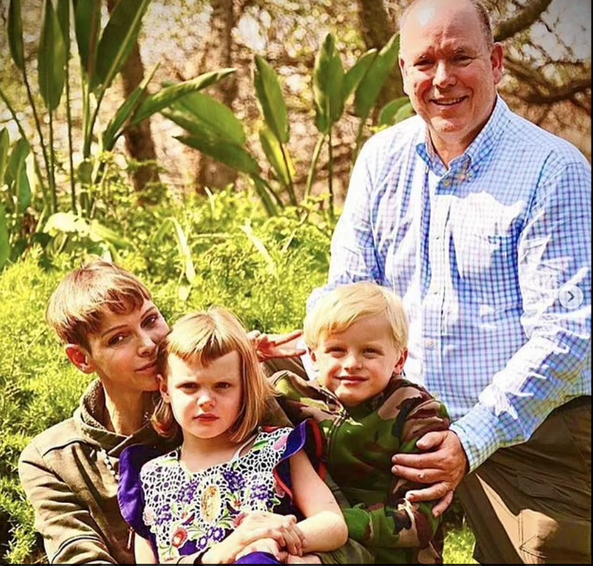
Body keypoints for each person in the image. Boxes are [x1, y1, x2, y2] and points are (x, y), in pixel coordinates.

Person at [306, 0, 591, 563]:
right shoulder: (381, 159)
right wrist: (309, 345)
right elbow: (349, 294)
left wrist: (470, 438)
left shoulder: (553, 170)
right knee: (317, 531)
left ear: (497, 62)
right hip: (393, 422)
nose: (442, 79)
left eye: (461, 57)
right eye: (424, 62)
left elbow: (567, 335)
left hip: (529, 430)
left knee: (549, 553)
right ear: (404, 71)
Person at [17, 260, 368, 565]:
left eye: (150, 320)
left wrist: (281, 550)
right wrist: (219, 554)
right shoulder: (54, 461)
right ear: (81, 358)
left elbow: (348, 541)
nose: (148, 344)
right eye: (118, 339)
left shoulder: (237, 407)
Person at [118, 307, 348, 564]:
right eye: (189, 386)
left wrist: (272, 538)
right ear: (165, 389)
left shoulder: (276, 448)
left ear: (244, 388)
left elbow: (333, 524)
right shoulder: (150, 476)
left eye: (222, 386)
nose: (206, 400)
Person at [272, 282, 451, 564]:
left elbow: (419, 520)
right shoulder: (291, 395)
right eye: (337, 350)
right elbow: (228, 403)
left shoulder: (417, 413)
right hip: (314, 541)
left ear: (399, 359)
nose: (352, 363)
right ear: (313, 355)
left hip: (390, 555)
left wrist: (336, 523)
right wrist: (245, 353)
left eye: (369, 351)